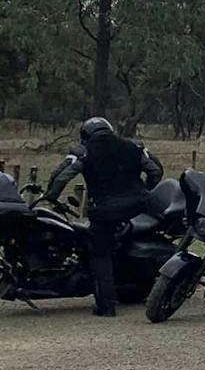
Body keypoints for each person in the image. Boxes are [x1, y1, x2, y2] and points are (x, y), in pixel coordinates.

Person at [42, 117, 163, 317]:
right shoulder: (133, 146)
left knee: (99, 254)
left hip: (105, 211)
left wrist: (51, 197)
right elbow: (156, 170)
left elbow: (61, 176)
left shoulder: (84, 152)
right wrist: (146, 191)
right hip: (138, 206)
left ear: (85, 135)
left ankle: (106, 306)